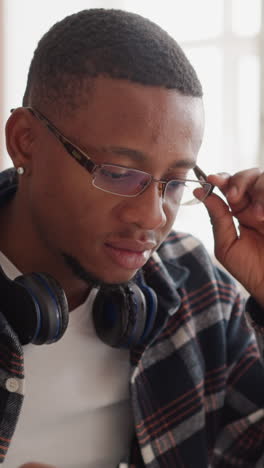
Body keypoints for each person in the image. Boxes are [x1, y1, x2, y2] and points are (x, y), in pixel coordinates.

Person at [0, 7, 264, 468]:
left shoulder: (193, 286)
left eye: (176, 182)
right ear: (26, 141)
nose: (152, 216)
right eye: (120, 173)